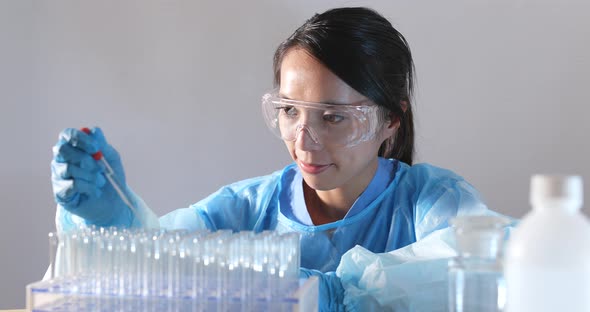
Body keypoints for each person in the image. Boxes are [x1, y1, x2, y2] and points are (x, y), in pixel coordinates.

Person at [51, 7, 502, 311]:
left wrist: (337, 295)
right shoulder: (248, 207)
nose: (305, 142)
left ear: (390, 121)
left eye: (333, 117)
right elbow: (160, 268)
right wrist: (110, 223)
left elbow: (490, 269)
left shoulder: (431, 202)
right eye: (289, 112)